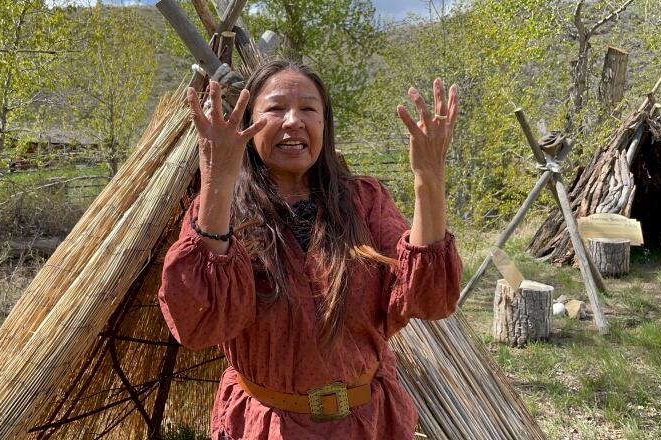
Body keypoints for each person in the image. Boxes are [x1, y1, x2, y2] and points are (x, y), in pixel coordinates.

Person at [159, 60, 462, 440]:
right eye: (275, 108)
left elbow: (430, 299)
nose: (292, 121)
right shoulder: (223, 212)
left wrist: (429, 179)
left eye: (308, 109)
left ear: (324, 124)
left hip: (365, 424)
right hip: (269, 427)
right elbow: (197, 322)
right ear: (248, 124)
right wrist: (218, 181)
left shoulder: (364, 202)